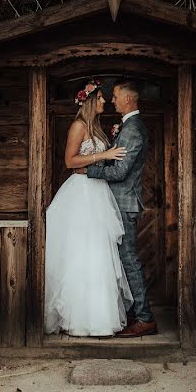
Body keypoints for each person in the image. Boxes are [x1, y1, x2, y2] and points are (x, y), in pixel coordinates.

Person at [44, 80, 133, 336]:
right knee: (81, 253)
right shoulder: (78, 126)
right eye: (102, 98)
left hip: (98, 191)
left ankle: (100, 318)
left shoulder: (96, 128)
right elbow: (70, 161)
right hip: (80, 193)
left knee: (99, 253)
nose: (105, 102)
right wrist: (102, 156)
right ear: (91, 101)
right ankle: (77, 319)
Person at [86, 80, 157, 337]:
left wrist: (87, 170)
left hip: (124, 204)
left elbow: (119, 171)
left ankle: (145, 318)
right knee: (120, 261)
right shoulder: (127, 126)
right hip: (117, 204)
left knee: (129, 260)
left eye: (115, 96)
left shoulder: (133, 129)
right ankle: (130, 312)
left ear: (128, 99)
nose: (112, 100)